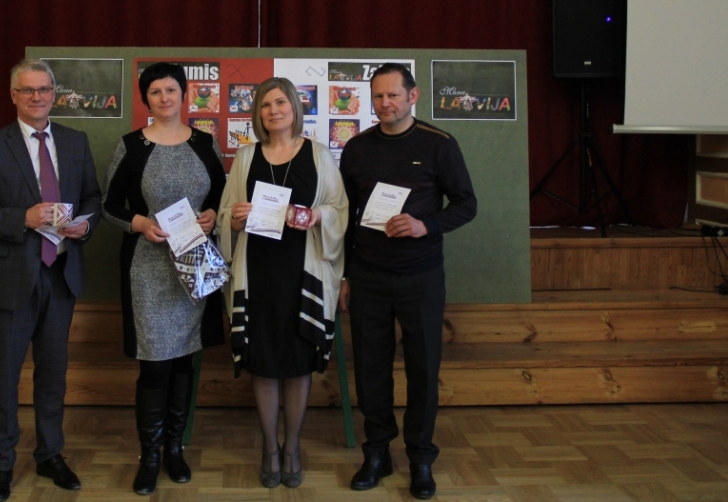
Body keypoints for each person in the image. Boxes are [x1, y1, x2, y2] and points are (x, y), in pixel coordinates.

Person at [0, 59, 102, 502]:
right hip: (9, 278)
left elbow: (93, 197)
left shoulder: (75, 141)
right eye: (27, 90)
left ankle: (49, 454)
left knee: (53, 374)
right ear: (13, 95)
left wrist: (86, 224)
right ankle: (2, 464)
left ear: (54, 94)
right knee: (3, 377)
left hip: (61, 275)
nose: (37, 97)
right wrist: (22, 217)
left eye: (44, 89)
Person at [338, 63, 477, 500]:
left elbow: (467, 204)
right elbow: (345, 218)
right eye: (378, 97)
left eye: (393, 96)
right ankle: (377, 453)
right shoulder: (357, 148)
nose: (385, 104)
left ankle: (420, 459)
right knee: (371, 370)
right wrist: (345, 274)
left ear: (412, 96)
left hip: (421, 276)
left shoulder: (439, 144)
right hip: (368, 277)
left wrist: (425, 225)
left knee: (423, 369)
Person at [101, 62, 227, 496]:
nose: (164, 98)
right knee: (155, 365)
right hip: (149, 268)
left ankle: (175, 448)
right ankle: (150, 455)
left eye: (171, 89)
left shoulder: (205, 143)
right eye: (155, 92)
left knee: (185, 360)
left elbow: (221, 195)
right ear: (146, 99)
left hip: (195, 264)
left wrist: (213, 214)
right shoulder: (131, 146)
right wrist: (138, 223)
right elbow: (109, 205)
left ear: (184, 94)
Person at [217, 77, 348, 489]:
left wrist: (317, 216)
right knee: (263, 361)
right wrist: (234, 219)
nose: (273, 111)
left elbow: (339, 209)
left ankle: (291, 447)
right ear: (257, 113)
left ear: (295, 107)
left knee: (296, 361)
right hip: (258, 273)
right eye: (265, 105)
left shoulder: (319, 154)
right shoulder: (246, 156)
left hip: (302, 273)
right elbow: (225, 215)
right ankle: (269, 449)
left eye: (280, 103)